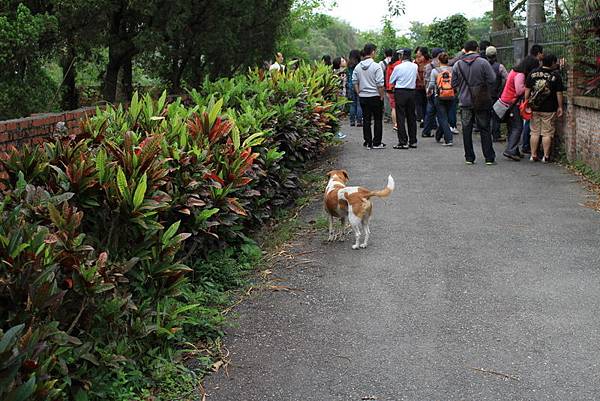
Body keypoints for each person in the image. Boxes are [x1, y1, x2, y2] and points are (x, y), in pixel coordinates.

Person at [451, 40, 497, 165]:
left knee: (466, 129)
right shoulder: (483, 62)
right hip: (481, 101)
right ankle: (488, 157)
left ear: (464, 50)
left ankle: (469, 157)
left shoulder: (458, 65)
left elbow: (453, 84)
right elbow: (492, 79)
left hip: (465, 102)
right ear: (477, 48)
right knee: (485, 128)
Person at [525, 53, 565, 163]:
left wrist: (526, 103)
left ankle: (533, 155)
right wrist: (560, 106)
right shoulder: (555, 76)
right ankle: (546, 156)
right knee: (547, 133)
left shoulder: (533, 73)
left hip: (535, 108)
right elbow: (559, 93)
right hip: (549, 108)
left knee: (534, 132)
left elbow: (527, 89)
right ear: (552, 62)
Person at [499, 56, 540, 161]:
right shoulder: (520, 75)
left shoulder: (514, 70)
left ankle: (514, 149)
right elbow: (519, 90)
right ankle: (510, 150)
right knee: (518, 127)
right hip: (512, 103)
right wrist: (529, 88)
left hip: (506, 101)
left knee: (512, 127)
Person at [353, 43, 386, 149]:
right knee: (377, 119)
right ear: (372, 52)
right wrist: (381, 96)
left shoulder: (358, 67)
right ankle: (377, 142)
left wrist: (359, 93)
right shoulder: (377, 66)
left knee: (366, 119)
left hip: (363, 96)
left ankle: (368, 142)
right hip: (375, 96)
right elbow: (380, 84)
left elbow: (354, 81)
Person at [389, 48, 418, 149]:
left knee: (400, 117)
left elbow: (391, 80)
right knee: (411, 117)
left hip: (400, 92)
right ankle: (413, 141)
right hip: (412, 92)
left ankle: (403, 141)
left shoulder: (398, 67)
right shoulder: (415, 66)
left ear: (402, 56)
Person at [521, 45, 544, 153]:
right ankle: (526, 145)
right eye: (542, 53)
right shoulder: (535, 63)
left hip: (525, 91)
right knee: (530, 122)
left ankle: (525, 144)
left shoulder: (526, 59)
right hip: (531, 93)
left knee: (527, 120)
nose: (542, 55)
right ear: (538, 53)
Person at [428, 52, 455, 146]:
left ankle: (448, 139)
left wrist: (428, 91)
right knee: (445, 116)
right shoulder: (452, 70)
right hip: (451, 96)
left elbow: (431, 84)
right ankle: (438, 135)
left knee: (442, 117)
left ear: (438, 60)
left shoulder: (435, 71)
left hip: (439, 96)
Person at [486, 46, 508, 142]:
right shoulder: (500, 67)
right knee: (496, 115)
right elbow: (507, 79)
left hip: (484, 94)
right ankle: (496, 135)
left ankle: (486, 135)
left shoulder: (483, 65)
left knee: (485, 115)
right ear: (496, 55)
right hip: (496, 94)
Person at [422, 47, 444, 137]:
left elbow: (426, 80)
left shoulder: (428, 66)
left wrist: (427, 90)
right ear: (439, 55)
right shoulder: (442, 65)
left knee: (430, 112)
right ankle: (441, 132)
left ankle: (426, 131)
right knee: (441, 112)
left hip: (430, 91)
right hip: (441, 91)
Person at [385, 50, 402, 132]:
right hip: (399, 88)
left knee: (393, 108)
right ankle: (400, 123)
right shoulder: (400, 64)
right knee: (400, 107)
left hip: (390, 88)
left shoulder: (389, 65)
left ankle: (395, 124)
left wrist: (388, 88)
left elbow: (387, 77)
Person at [414, 47, 431, 125]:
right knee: (419, 103)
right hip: (417, 86)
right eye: (417, 55)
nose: (418, 57)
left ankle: (426, 119)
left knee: (426, 103)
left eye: (420, 55)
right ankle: (422, 119)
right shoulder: (415, 62)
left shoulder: (429, 62)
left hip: (427, 86)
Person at [333, 57, 348, 139]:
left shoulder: (343, 71)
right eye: (342, 61)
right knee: (338, 112)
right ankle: (337, 132)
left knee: (340, 112)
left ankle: (337, 131)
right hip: (339, 95)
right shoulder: (337, 73)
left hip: (342, 94)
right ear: (339, 63)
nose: (344, 61)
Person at [347, 49, 363, 127]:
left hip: (350, 85)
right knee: (359, 103)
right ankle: (359, 121)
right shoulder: (359, 65)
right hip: (358, 84)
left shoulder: (349, 64)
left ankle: (352, 121)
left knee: (352, 104)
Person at [380, 48, 394, 122]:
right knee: (394, 100)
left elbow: (380, 75)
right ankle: (394, 115)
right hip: (394, 84)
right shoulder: (395, 62)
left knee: (386, 101)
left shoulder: (382, 63)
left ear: (385, 54)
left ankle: (387, 116)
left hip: (386, 84)